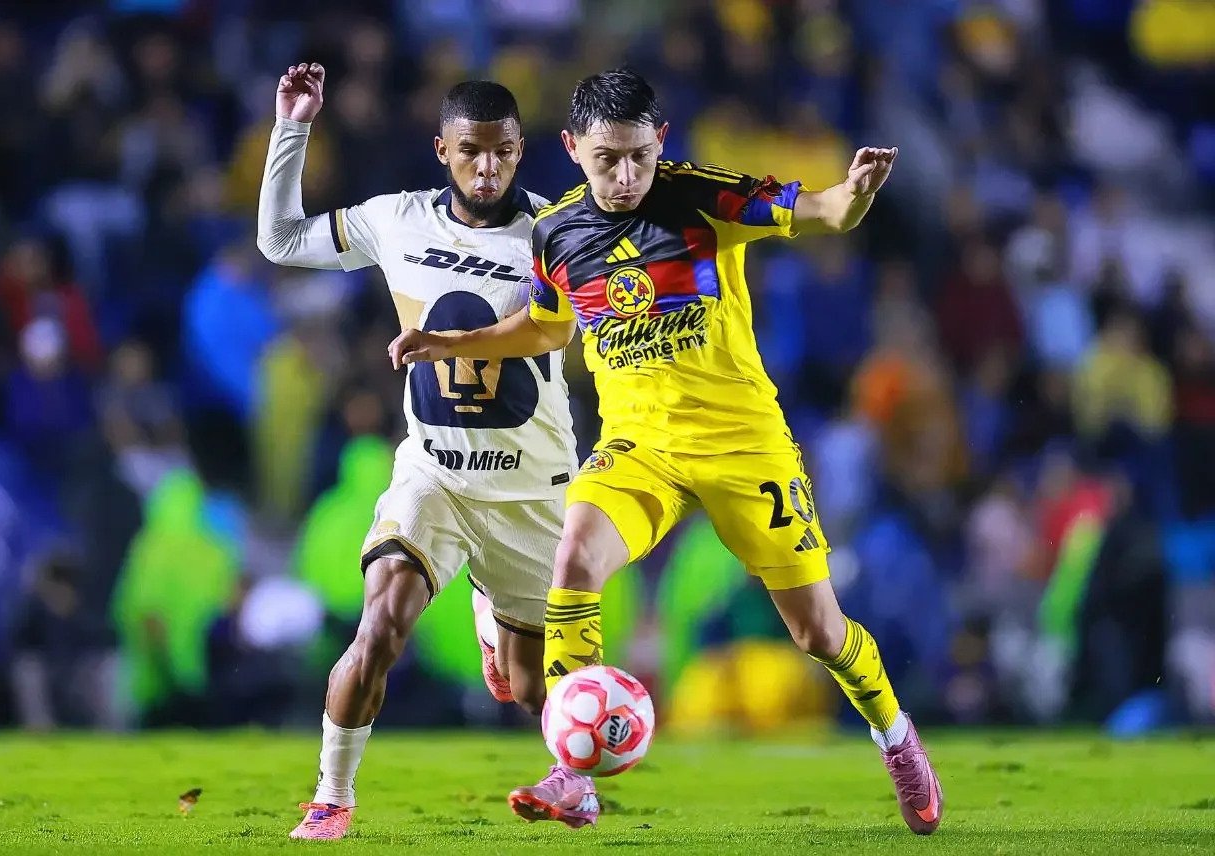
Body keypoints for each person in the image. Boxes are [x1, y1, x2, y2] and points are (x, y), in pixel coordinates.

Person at [390, 68, 944, 835]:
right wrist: (454, 342)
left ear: (662, 141)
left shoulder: (703, 199)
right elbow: (548, 327)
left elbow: (822, 211)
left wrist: (855, 192)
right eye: (606, 160)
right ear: (572, 148)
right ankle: (572, 775)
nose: (625, 176)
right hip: (638, 447)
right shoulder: (557, 233)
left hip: (743, 446)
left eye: (639, 158)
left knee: (818, 632)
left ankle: (895, 735)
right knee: (573, 559)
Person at [258, 64, 590, 839]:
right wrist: (293, 127)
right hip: (434, 476)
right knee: (381, 625)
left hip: (532, 490)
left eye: (502, 151)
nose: (487, 167)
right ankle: (331, 797)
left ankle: (500, 631)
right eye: (471, 150)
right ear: (443, 150)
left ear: (521, 150)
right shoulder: (397, 220)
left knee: (531, 691)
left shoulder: (558, 232)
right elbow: (280, 241)